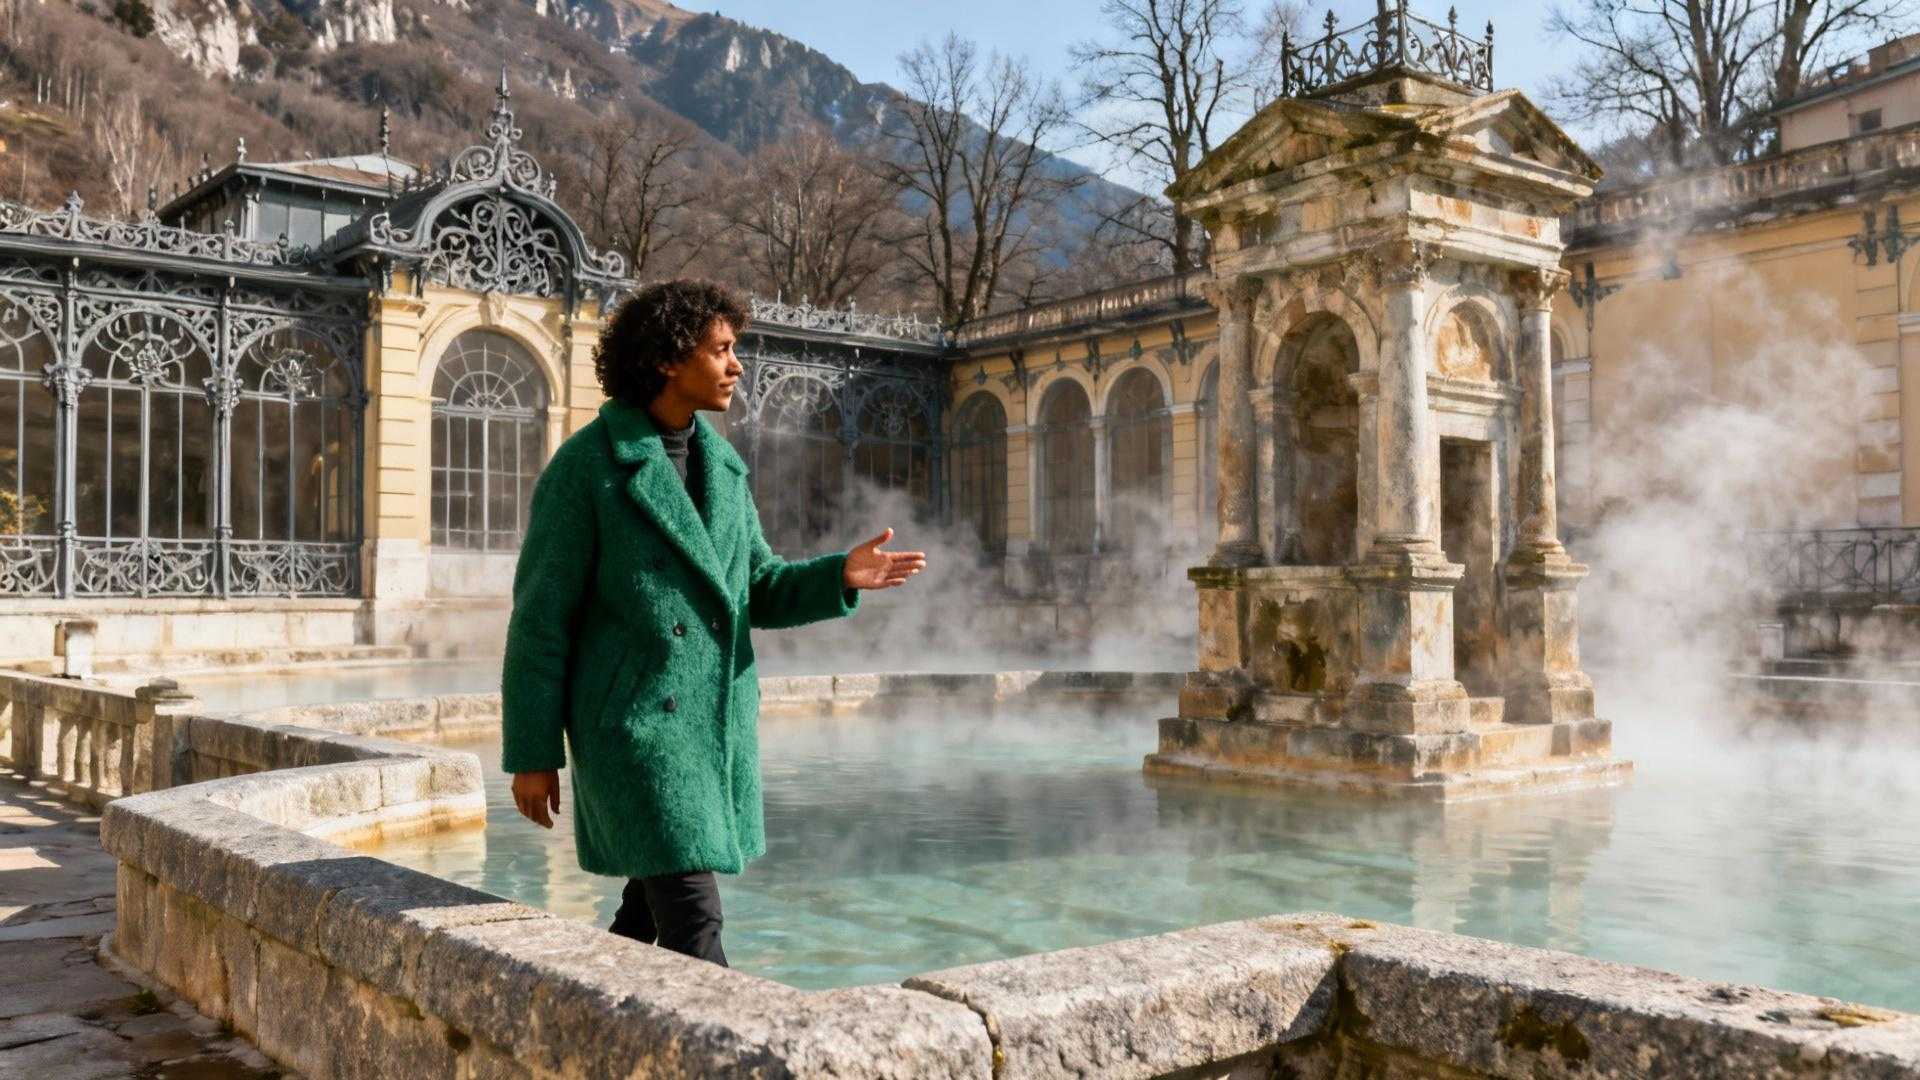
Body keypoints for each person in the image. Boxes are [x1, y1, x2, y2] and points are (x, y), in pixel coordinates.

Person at [498, 279, 926, 966]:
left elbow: (755, 587)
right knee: (697, 923)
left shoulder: (724, 467)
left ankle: (573, 1016)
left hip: (710, 726)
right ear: (670, 359)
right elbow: (541, 621)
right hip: (636, 732)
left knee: (645, 916)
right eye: (721, 350)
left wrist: (838, 575)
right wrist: (532, 752)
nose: (737, 365)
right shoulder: (588, 470)